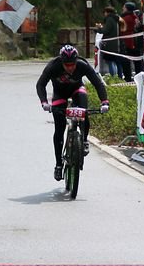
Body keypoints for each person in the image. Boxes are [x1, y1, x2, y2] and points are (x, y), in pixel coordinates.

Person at [36, 45, 110, 181]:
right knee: (59, 129)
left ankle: (84, 140)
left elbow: (97, 83)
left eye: (72, 65)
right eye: (67, 65)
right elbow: (40, 84)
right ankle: (58, 165)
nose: (70, 68)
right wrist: (44, 102)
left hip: (76, 90)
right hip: (59, 94)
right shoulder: (53, 66)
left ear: (76, 61)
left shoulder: (82, 65)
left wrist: (104, 102)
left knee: (83, 110)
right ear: (62, 62)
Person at [120, 2, 144, 80]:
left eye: (124, 7)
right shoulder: (135, 17)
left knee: (126, 61)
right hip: (136, 41)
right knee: (137, 61)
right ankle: (139, 77)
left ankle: (128, 77)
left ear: (127, 8)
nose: (122, 8)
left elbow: (121, 30)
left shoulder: (125, 18)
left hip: (127, 42)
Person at [95, 6, 121, 78]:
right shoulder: (116, 19)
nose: (104, 14)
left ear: (107, 12)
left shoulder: (109, 19)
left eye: (105, 12)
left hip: (110, 44)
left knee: (110, 61)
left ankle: (113, 77)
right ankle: (117, 76)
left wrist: (99, 29)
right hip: (116, 43)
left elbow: (106, 31)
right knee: (115, 62)